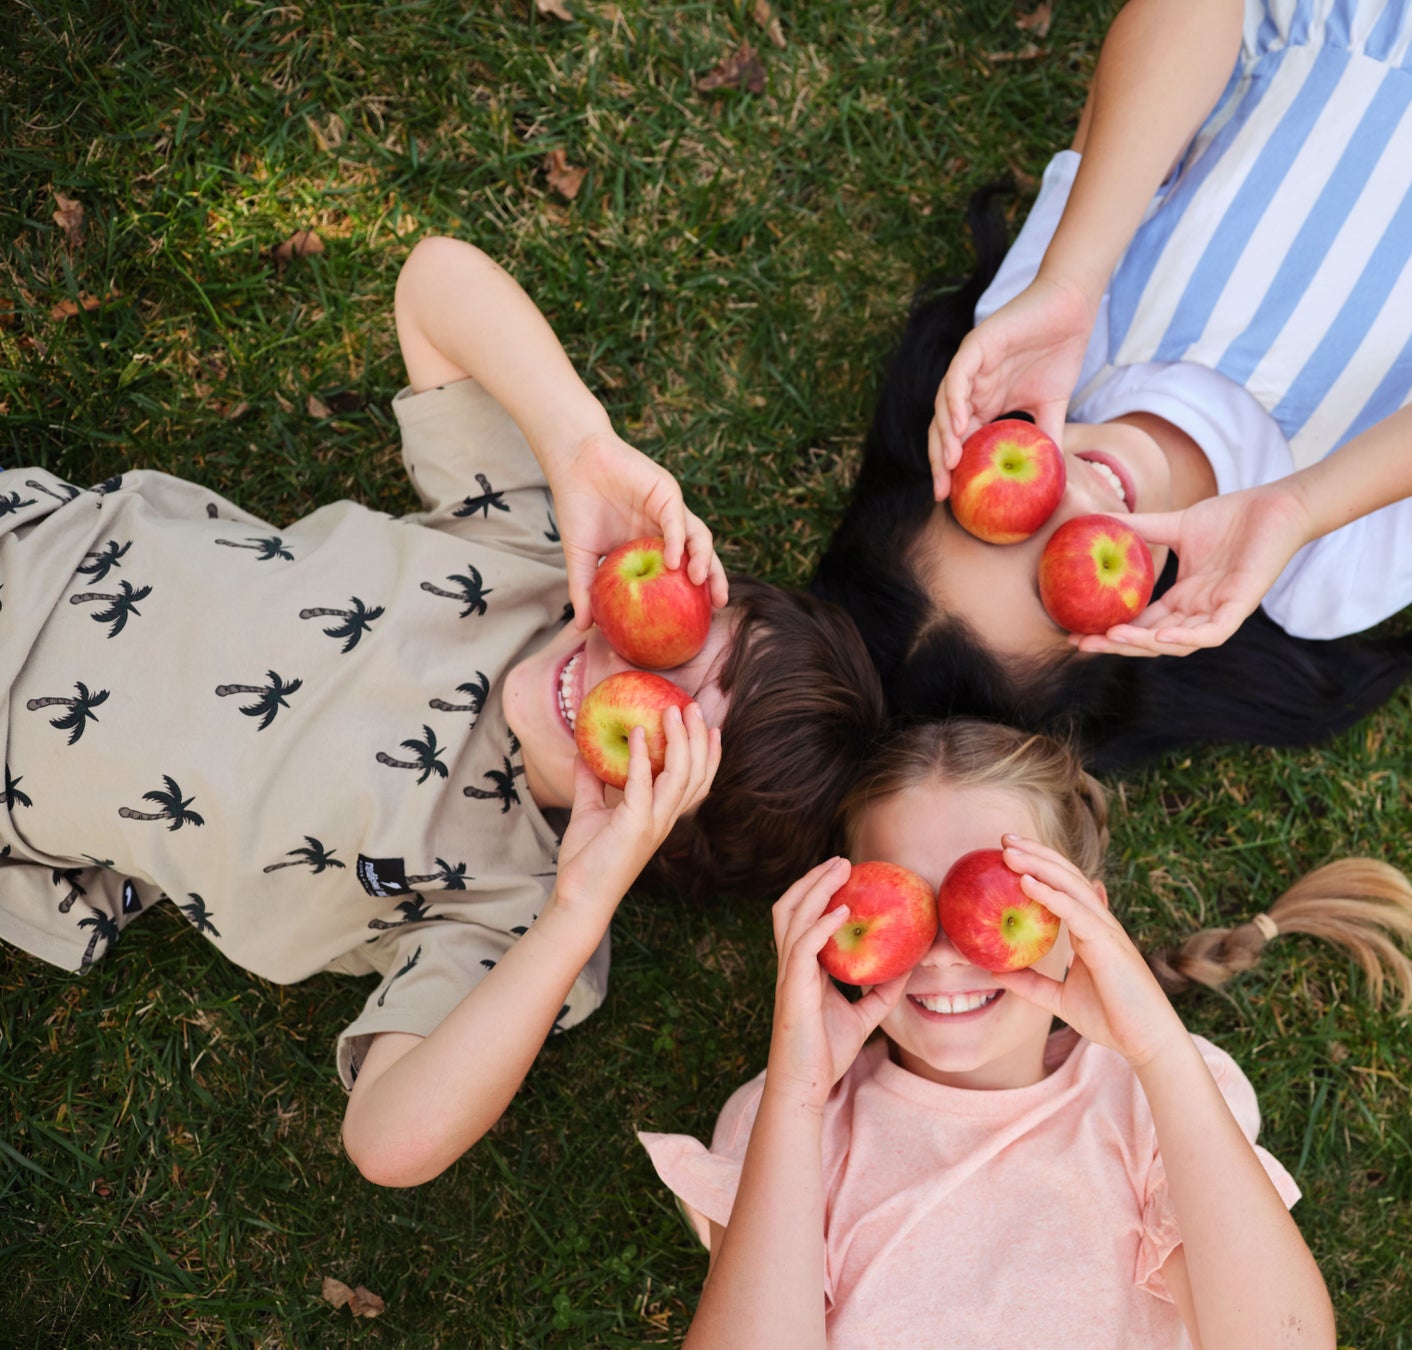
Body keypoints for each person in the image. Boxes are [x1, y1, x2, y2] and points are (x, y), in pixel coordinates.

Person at [0, 236, 883, 1187]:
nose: (619, 675)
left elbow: (388, 1142)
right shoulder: (540, 557)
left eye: (667, 728)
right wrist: (580, 444)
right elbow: (434, 281)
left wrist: (582, 910)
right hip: (40, 548)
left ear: (663, 838)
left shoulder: (514, 914)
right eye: (673, 644)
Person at [813, 0, 1412, 769]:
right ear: (1128, 641)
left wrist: (1072, 281)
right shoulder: (1323, 565)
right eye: (1056, 577)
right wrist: (1304, 505)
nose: (1076, 494)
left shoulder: (1050, 327)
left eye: (999, 510)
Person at [640, 718, 1412, 1346]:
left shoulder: (1152, 1097)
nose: (949, 953)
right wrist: (800, 1094)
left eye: (981, 904)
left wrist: (1157, 1050)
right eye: (908, 906)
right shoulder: (788, 1125)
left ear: (1079, 918)